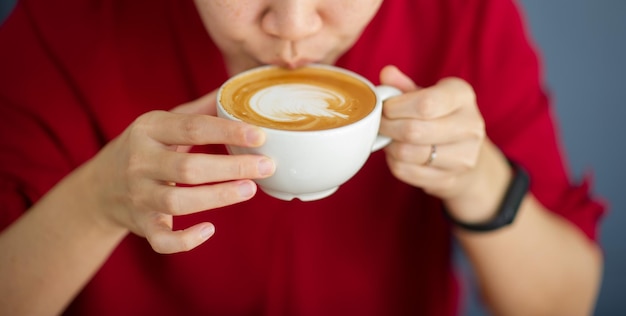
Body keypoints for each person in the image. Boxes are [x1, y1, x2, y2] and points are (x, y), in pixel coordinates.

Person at [0, 0, 605, 315]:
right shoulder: (68, 22)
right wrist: (94, 204)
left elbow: (564, 304)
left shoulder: (463, 15)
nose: (291, 26)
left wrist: (478, 181)